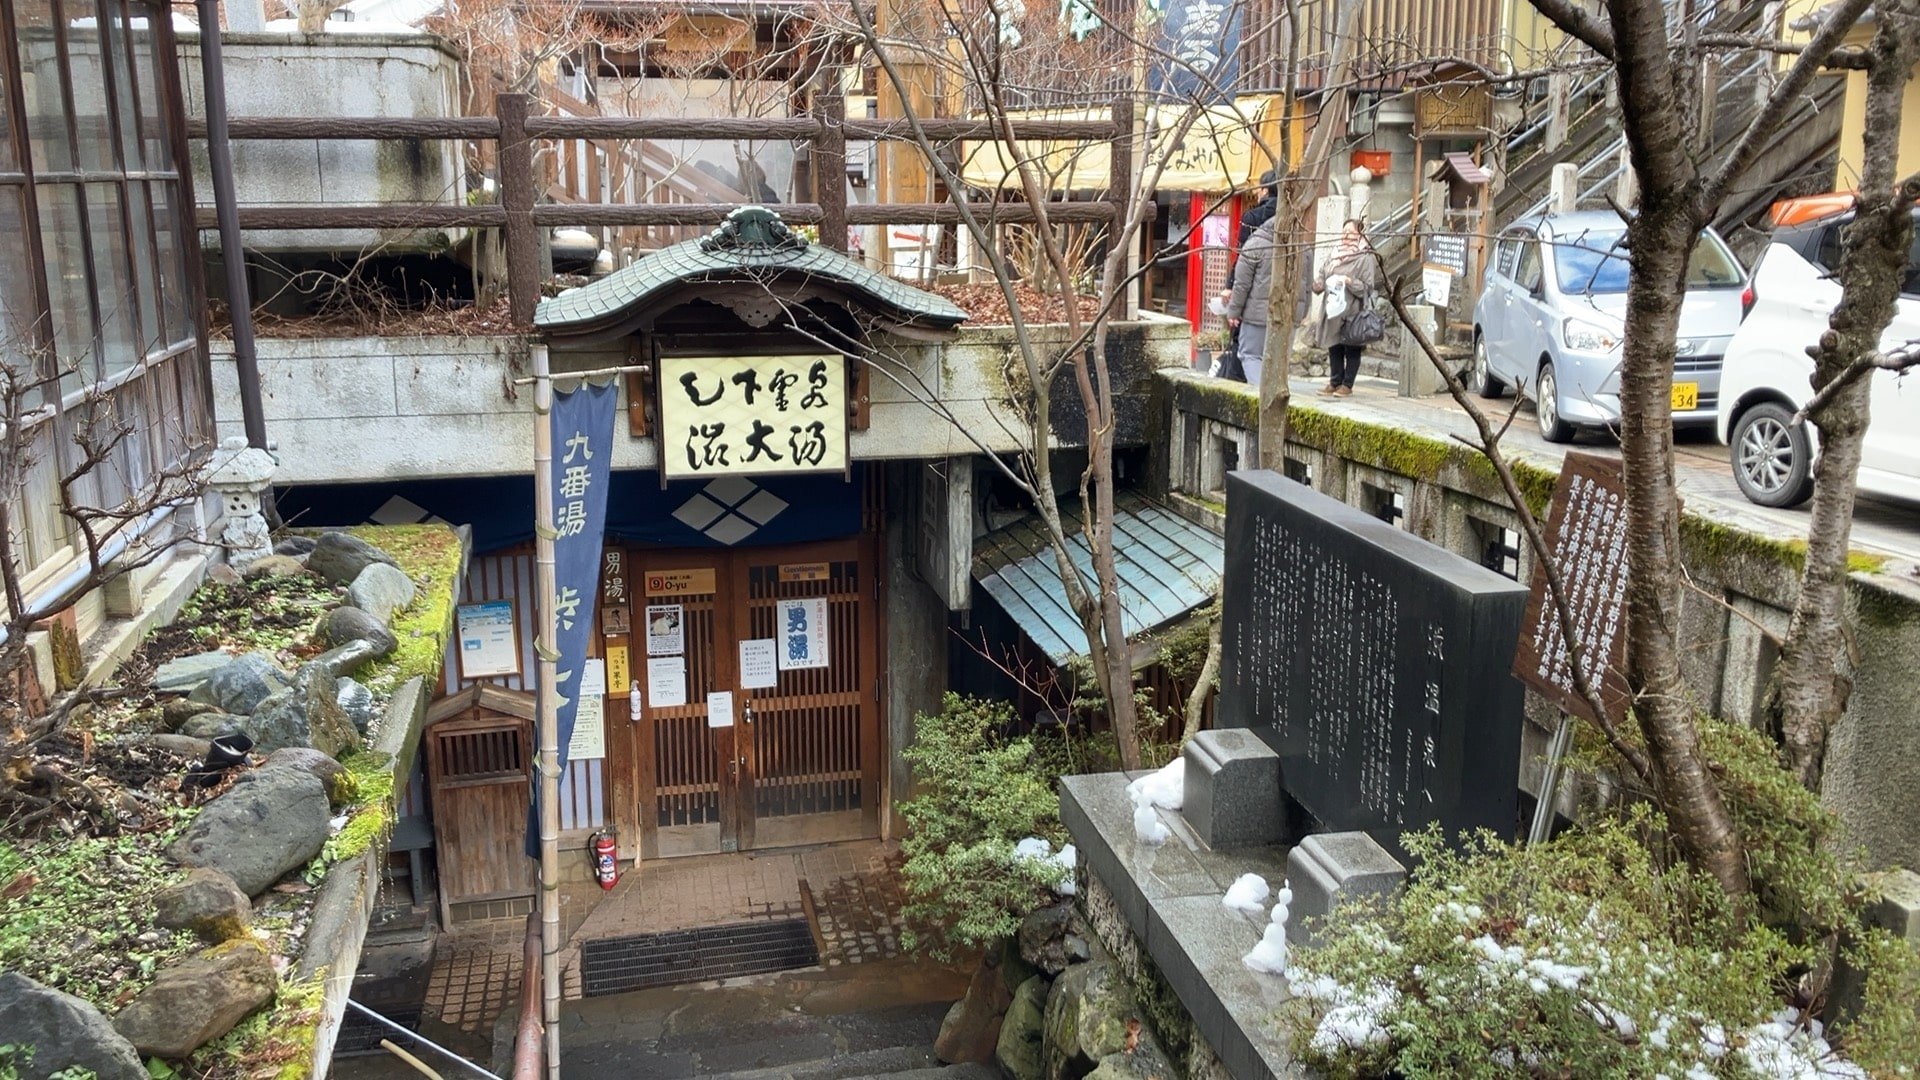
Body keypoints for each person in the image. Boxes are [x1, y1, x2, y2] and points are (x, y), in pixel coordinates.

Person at [1312, 219, 1381, 397]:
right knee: (1334, 346)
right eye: (1343, 232)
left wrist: (1348, 281)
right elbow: (1323, 272)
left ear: (1360, 235)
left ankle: (1347, 384)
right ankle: (1334, 381)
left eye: (1350, 233)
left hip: (1352, 310)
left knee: (1351, 347)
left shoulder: (1364, 257)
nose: (1345, 236)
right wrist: (1319, 283)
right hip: (1333, 308)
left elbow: (1367, 287)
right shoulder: (1335, 253)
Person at [1224, 215, 1277, 388]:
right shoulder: (1302, 247)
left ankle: (1261, 398)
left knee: (1251, 355)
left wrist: (1233, 311)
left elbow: (1241, 284)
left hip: (1257, 314)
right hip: (1288, 318)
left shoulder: (1255, 244)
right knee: (1277, 359)